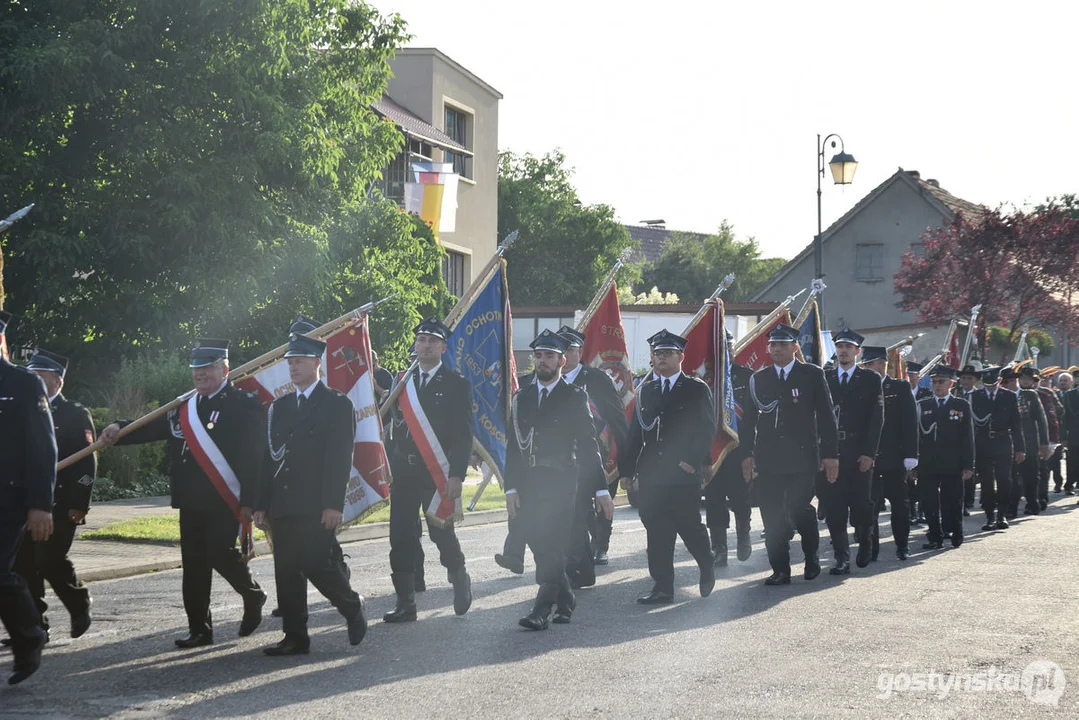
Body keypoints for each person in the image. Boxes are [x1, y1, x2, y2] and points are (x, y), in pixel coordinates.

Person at [100, 339, 267, 648]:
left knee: (219, 553)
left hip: (223, 497)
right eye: (196, 369)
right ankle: (200, 630)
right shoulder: (185, 406)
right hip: (189, 498)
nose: (199, 374)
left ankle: (252, 594)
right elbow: (149, 428)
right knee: (193, 565)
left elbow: (254, 456)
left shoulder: (242, 404)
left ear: (225, 369)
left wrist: (250, 501)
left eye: (207, 368)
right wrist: (118, 429)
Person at [254, 330, 367, 655]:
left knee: (317, 563)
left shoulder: (336, 404)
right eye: (290, 362)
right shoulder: (280, 407)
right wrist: (262, 503)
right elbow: (269, 457)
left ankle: (351, 606)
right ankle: (295, 636)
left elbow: (340, 457)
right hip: (285, 502)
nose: (293, 367)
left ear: (317, 363)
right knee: (287, 569)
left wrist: (333, 503)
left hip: (317, 502)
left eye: (300, 361)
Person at [505, 330, 612, 629]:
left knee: (553, 547)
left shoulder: (574, 396)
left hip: (562, 481)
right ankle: (566, 597)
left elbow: (589, 444)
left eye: (549, 356)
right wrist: (510, 486)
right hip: (528, 482)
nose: (542, 361)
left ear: (562, 361)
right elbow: (514, 445)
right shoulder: (522, 395)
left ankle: (541, 610)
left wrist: (601, 488)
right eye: (538, 355)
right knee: (539, 546)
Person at [382, 317, 473, 623]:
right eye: (421, 339)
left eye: (433, 340)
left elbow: (463, 435)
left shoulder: (456, 384)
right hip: (404, 472)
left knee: (440, 532)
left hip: (436, 472)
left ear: (443, 348)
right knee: (401, 536)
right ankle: (405, 602)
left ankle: (458, 574)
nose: (426, 344)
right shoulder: (402, 381)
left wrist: (457, 475)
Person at [617, 329, 716, 603]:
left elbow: (707, 427)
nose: (661, 358)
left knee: (688, 525)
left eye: (667, 353)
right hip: (652, 474)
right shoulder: (646, 390)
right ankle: (662, 587)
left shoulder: (696, 388)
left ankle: (706, 563)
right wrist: (626, 470)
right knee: (657, 532)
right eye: (657, 354)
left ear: (680, 357)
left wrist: (693, 460)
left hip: (683, 472)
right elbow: (636, 432)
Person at [740, 323, 837, 585]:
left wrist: (831, 455)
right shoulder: (759, 378)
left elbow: (827, 417)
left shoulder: (811, 374)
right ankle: (780, 569)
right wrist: (746, 454)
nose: (777, 349)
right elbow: (748, 421)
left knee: (799, 509)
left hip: (802, 458)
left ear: (795, 347)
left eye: (783, 344)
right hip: (769, 459)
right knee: (771, 515)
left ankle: (811, 556)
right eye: (773, 345)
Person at [12, 350, 95, 644]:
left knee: (48, 560)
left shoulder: (74, 413)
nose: (34, 381)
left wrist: (79, 503)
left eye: (41, 377)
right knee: (22, 565)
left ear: (58, 381)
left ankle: (78, 601)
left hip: (60, 502)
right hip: (24, 501)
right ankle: (35, 626)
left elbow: (87, 461)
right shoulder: (23, 408)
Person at [0, 311, 58, 685]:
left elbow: (43, 448)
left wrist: (41, 503)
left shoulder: (23, 383)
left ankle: (29, 637)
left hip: (10, 500)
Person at [553, 325, 628, 582]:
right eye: (560, 349)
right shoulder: (548, 379)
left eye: (570, 349)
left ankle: (599, 546)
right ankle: (581, 567)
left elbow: (617, 420)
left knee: (591, 508)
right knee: (571, 514)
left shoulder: (597, 379)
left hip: (594, 453)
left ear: (579, 351)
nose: (565, 354)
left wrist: (627, 464)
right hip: (560, 460)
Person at [820, 329, 883, 574]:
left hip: (859, 452)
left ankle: (865, 540)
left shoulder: (870, 379)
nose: (843, 351)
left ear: (857, 352)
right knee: (834, 506)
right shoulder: (825, 377)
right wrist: (825, 453)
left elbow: (876, 419)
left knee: (861, 506)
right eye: (839, 346)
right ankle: (841, 557)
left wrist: (869, 453)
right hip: (832, 452)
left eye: (848, 347)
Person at [860, 347, 917, 561]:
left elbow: (910, 423)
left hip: (895, 458)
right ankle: (871, 548)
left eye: (879, 362)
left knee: (900, 506)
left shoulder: (899, 387)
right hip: (869, 459)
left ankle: (902, 545)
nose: (876, 367)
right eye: (870, 363)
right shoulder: (861, 387)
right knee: (870, 507)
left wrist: (911, 455)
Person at [705, 330, 754, 567]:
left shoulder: (747, 376)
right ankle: (719, 548)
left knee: (741, 498)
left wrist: (751, 454)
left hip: (739, 449)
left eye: (729, 346)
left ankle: (743, 538)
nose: (727, 351)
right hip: (713, 449)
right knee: (714, 499)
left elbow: (755, 419)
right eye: (721, 347)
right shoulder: (705, 377)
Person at [917, 366, 974, 550]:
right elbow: (917, 436)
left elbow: (967, 437)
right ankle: (935, 536)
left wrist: (968, 464)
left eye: (941, 381)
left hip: (952, 463)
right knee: (929, 502)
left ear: (951, 383)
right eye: (934, 382)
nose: (937, 385)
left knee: (954, 501)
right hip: (928, 463)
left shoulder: (961, 405)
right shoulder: (924, 405)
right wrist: (914, 464)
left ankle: (957, 533)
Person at [969, 366, 1024, 531]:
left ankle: (1001, 514)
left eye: (993, 382)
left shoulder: (1009, 396)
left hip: (1003, 441)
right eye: (987, 383)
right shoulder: (975, 396)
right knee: (986, 481)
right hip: (983, 443)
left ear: (999, 381)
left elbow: (1016, 424)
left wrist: (1020, 448)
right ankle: (989, 516)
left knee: (1004, 480)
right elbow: (971, 426)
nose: (990, 386)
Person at [1015, 366, 1050, 516]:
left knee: (1031, 475)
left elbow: (1042, 421)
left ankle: (1032, 502)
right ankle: (1012, 505)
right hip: (1013, 442)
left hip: (1029, 441)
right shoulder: (1009, 393)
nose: (1025, 381)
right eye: (1022, 378)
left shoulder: (1032, 395)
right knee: (1014, 476)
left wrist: (1044, 443)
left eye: (1028, 379)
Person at [904, 361, 930, 526]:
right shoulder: (900, 392)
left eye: (913, 375)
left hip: (924, 439)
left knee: (924, 478)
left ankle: (922, 510)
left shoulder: (926, 393)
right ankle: (911, 509)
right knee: (907, 480)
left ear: (918, 377)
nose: (910, 378)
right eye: (908, 374)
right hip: (907, 439)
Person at [1033, 371, 1062, 510]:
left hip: (1044, 439)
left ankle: (1041, 498)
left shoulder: (1045, 394)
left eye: (1033, 380)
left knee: (1043, 470)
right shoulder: (1017, 394)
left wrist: (1053, 441)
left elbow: (1053, 418)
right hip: (1025, 439)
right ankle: (1030, 497)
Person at [955, 365, 981, 513]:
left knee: (971, 470)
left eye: (969, 378)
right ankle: (960, 501)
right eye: (963, 378)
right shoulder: (955, 393)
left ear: (975, 380)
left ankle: (968, 500)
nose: (965, 381)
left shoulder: (979, 395)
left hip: (975, 438)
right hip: (956, 438)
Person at [1051, 372, 1072, 493]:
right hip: (1056, 431)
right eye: (1061, 380)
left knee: (1071, 460)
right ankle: (1058, 483)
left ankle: (1070, 483)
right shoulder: (1053, 395)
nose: (1063, 382)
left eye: (1065, 380)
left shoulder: (1073, 395)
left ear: (1071, 382)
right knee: (1055, 459)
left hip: (1070, 432)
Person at [1060, 372, 1079, 496]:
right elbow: (1064, 417)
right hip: (1074, 435)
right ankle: (1070, 484)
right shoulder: (1069, 395)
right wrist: (1063, 437)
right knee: (1073, 462)